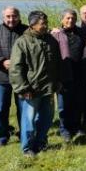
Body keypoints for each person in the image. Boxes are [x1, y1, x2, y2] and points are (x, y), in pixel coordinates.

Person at [9, 11, 63, 157]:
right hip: (31, 90)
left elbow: (58, 63)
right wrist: (23, 88)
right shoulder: (22, 42)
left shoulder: (51, 40)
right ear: (32, 25)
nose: (45, 26)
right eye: (42, 24)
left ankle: (41, 142)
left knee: (46, 118)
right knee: (28, 120)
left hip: (49, 88)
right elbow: (16, 68)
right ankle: (27, 148)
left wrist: (58, 81)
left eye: (46, 23)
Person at [0, 6, 28, 147]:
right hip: (1, 77)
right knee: (1, 109)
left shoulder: (27, 31)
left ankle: (24, 134)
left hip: (23, 77)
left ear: (19, 16)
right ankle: (1, 137)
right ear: (3, 17)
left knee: (24, 108)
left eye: (14, 16)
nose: (11, 19)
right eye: (8, 16)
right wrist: (1, 61)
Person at [51, 9, 85, 142]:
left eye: (73, 18)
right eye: (68, 18)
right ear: (62, 20)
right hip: (63, 76)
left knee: (78, 103)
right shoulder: (56, 34)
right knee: (63, 105)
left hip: (79, 74)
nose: (70, 20)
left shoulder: (82, 33)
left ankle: (77, 126)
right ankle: (64, 129)